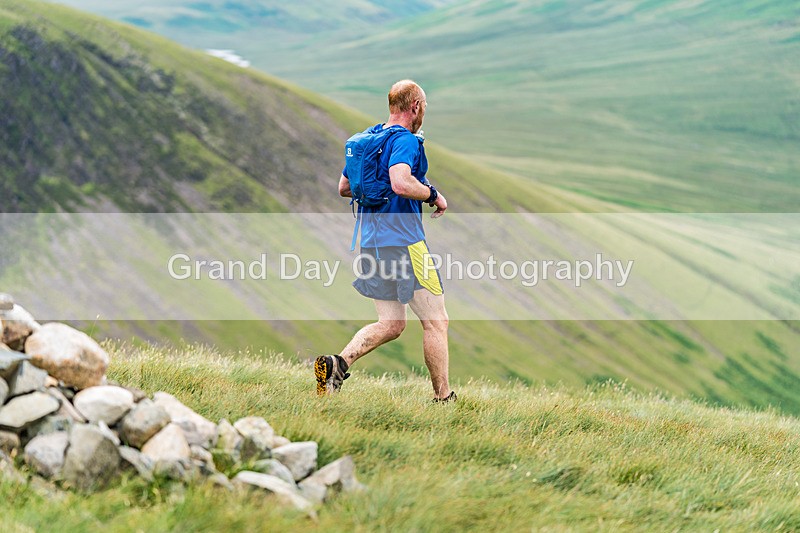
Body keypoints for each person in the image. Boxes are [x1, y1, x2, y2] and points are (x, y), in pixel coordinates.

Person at [315, 80, 456, 403]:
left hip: (371, 242)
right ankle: (443, 400)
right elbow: (401, 182)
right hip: (405, 241)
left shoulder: (368, 138)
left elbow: (344, 187)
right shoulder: (405, 140)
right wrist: (433, 195)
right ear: (415, 107)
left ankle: (337, 365)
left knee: (391, 323)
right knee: (437, 322)